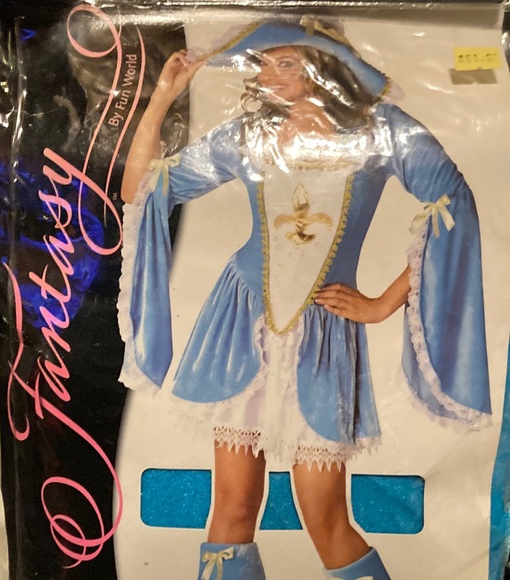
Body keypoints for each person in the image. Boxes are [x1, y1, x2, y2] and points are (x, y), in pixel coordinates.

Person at [118, 19, 491, 580]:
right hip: (241, 323)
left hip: (323, 339)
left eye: (286, 62)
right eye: (264, 63)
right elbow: (140, 190)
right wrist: (163, 97)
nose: (269, 75)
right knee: (234, 506)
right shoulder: (249, 135)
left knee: (325, 518)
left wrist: (382, 303)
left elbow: (453, 200)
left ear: (325, 63)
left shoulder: (379, 130)